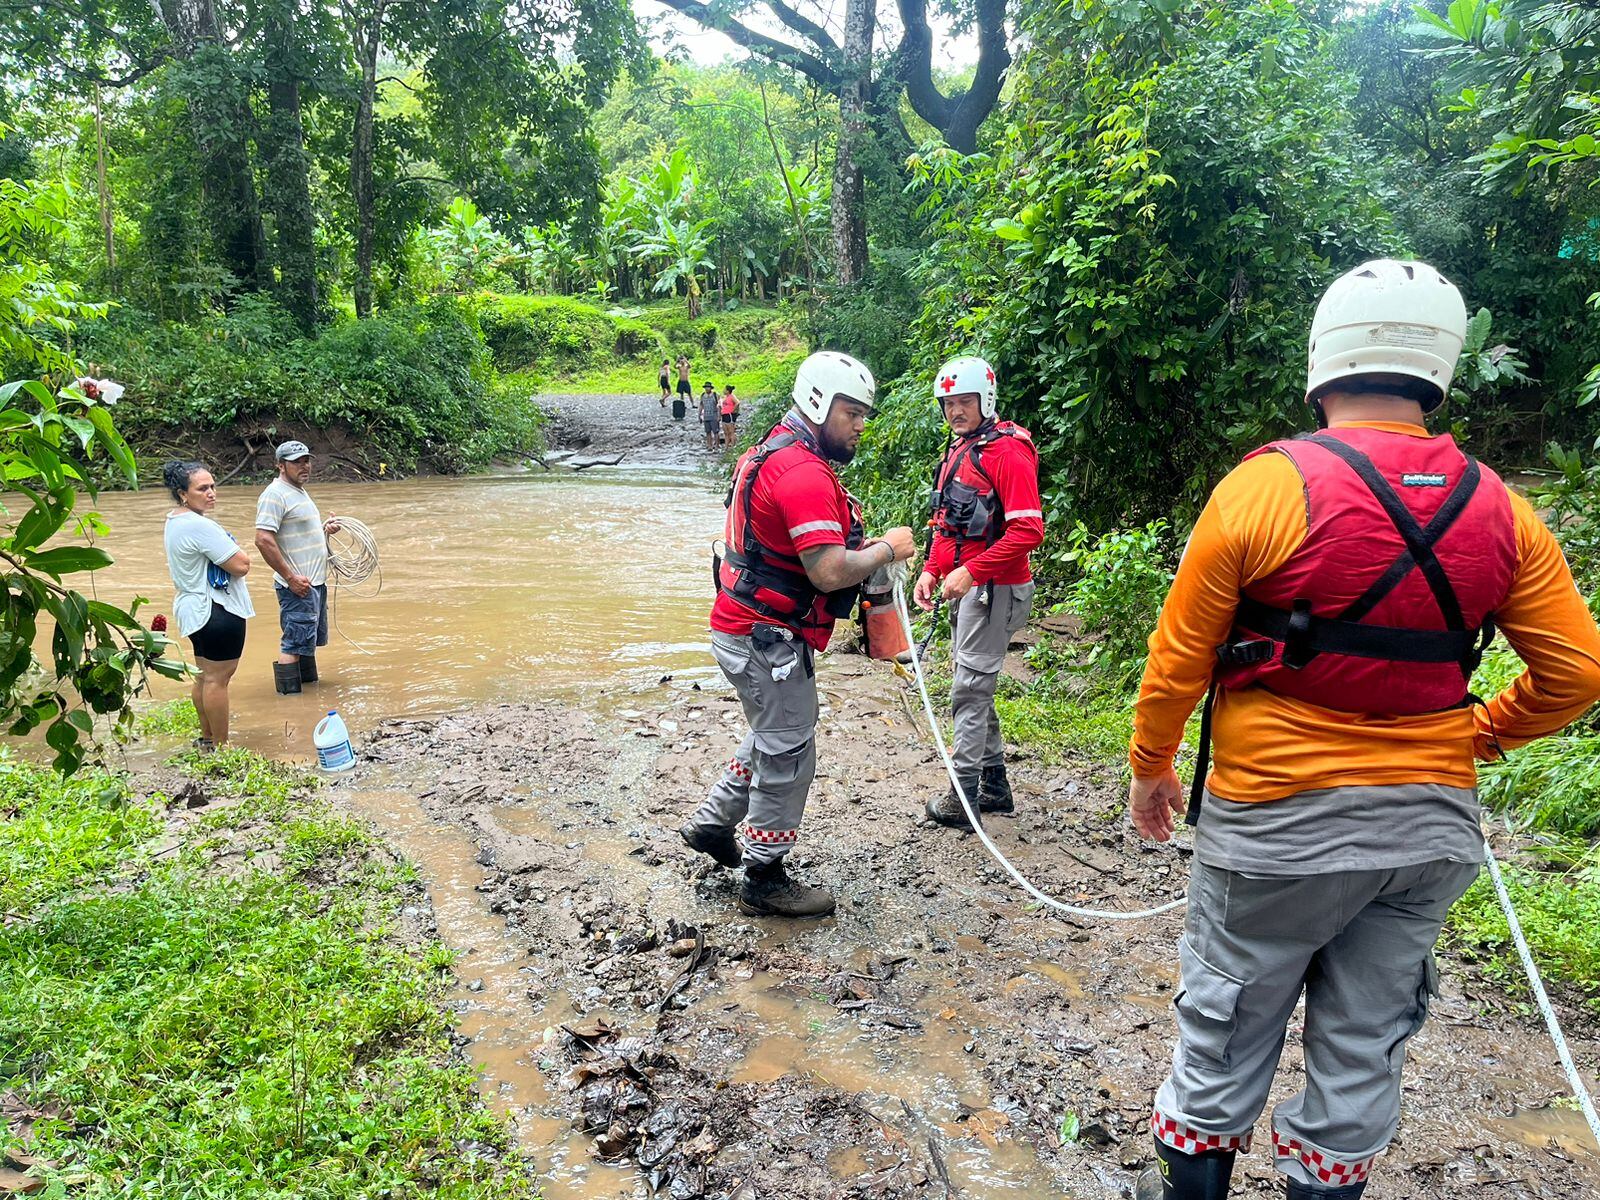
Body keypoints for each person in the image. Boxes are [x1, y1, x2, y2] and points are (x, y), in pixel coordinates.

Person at [1127, 259, 1600, 1200]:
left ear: (1324, 358)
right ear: (1439, 368)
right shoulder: (1504, 508)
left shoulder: (1263, 490)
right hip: (1426, 831)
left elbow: (1180, 654)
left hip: (1274, 826)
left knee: (1224, 1031)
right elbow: (1580, 673)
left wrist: (1153, 766)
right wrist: (1480, 735)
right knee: (1360, 1051)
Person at [679, 351, 916, 918]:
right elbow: (828, 571)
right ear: (818, 403)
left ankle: (713, 824)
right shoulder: (803, 473)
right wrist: (888, 548)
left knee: (772, 731)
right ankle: (764, 875)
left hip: (743, 625)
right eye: (851, 412)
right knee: (789, 749)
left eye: (865, 413)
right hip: (767, 637)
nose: (861, 424)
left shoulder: (772, 451)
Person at [913, 356, 1045, 827]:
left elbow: (1028, 532)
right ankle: (994, 787)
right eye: (949, 403)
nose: (956, 411)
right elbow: (948, 523)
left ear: (985, 399)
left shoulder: (1007, 452)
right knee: (976, 685)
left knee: (969, 689)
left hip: (996, 590)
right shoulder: (961, 449)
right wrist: (932, 569)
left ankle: (963, 797)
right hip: (970, 587)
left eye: (964, 401)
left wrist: (971, 572)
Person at [162, 460, 253, 749]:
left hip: (193, 609)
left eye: (213, 486)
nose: (211, 492)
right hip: (217, 610)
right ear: (183, 494)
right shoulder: (200, 526)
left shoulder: (175, 520)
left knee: (204, 677)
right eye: (202, 488)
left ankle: (207, 738)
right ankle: (223, 747)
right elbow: (241, 565)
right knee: (218, 679)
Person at [255, 441, 341, 695]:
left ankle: (309, 697)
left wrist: (325, 529)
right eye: (297, 462)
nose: (304, 466)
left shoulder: (298, 491)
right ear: (280, 465)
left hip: (313, 582)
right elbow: (262, 539)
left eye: (306, 460)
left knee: (306, 641)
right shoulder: (275, 494)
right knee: (293, 643)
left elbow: (297, 532)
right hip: (298, 585)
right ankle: (291, 706)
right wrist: (290, 578)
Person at [699, 380, 721, 452]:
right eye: (706, 387)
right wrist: (699, 415)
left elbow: (719, 406)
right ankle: (709, 445)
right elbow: (701, 405)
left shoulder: (715, 395)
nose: (707, 389)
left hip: (714, 415)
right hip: (706, 416)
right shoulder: (703, 395)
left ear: (711, 388)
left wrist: (719, 415)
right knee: (707, 432)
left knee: (716, 432)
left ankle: (717, 446)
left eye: (708, 387)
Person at [720, 383, 740, 448]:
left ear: (728, 391)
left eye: (724, 389)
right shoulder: (726, 397)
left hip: (729, 415)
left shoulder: (732, 396)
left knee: (731, 431)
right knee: (726, 432)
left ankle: (733, 446)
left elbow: (737, 402)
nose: (723, 391)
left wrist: (733, 410)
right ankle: (726, 447)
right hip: (724, 414)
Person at [674, 354, 692, 420]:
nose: (681, 361)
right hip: (681, 381)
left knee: (689, 393)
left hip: (686, 381)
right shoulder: (679, 366)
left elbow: (690, 366)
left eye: (682, 360)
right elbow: (674, 366)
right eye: (681, 360)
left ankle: (692, 404)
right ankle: (682, 405)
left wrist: (686, 360)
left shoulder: (686, 366)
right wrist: (677, 360)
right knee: (681, 394)